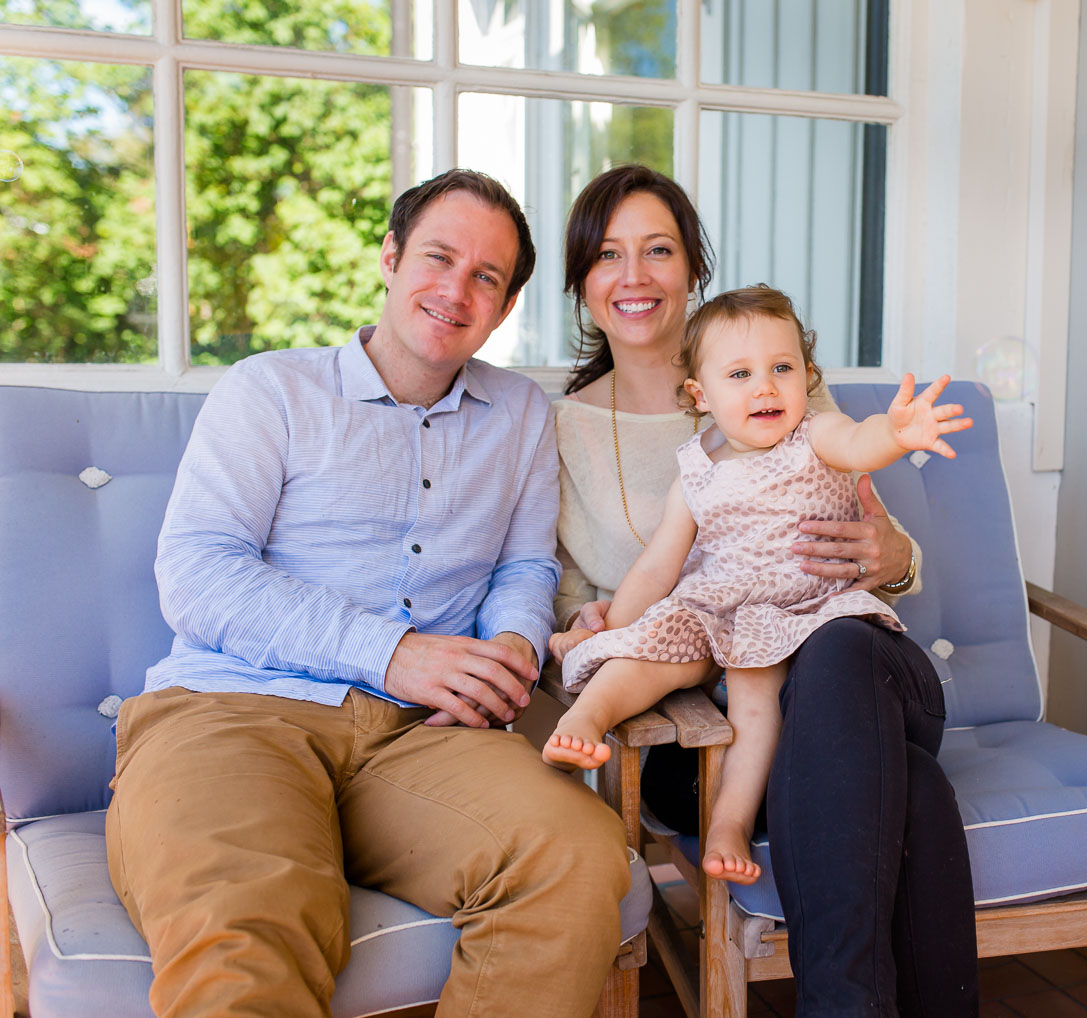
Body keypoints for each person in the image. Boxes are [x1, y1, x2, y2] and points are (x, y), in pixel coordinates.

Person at [105, 168, 630, 1018]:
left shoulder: (522, 415)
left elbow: (524, 569)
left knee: (573, 855)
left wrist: (513, 649)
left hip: (422, 739)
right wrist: (392, 653)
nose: (455, 290)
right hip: (234, 712)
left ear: (504, 307)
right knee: (246, 931)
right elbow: (199, 572)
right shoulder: (270, 389)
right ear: (389, 258)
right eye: (437, 257)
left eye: (486, 277)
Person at [551, 164, 980, 1017]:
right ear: (583, 281)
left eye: (659, 250)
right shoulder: (560, 425)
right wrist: (587, 624)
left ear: (692, 267)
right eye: (608, 255)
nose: (634, 275)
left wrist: (890, 553)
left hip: (849, 667)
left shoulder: (785, 385)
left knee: (841, 649)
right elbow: (570, 594)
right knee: (913, 789)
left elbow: (881, 523)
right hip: (702, 731)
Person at [546, 285, 973, 891]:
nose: (765, 387)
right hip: (717, 602)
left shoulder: (816, 435)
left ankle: (730, 824)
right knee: (646, 651)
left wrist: (898, 433)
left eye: (782, 369)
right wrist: (617, 628)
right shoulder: (695, 471)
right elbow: (657, 567)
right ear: (701, 394)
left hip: (799, 611)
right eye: (740, 374)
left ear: (807, 376)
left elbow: (861, 442)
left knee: (754, 708)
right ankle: (587, 720)